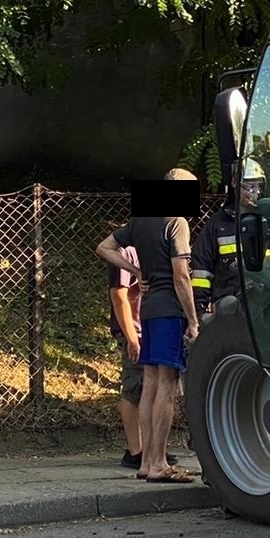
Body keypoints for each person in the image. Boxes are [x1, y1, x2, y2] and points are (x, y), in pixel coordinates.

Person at [95, 168, 201, 483]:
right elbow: (181, 275)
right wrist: (193, 320)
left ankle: (144, 461)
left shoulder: (142, 220)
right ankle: (158, 464)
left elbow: (103, 247)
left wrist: (135, 270)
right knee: (166, 388)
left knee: (150, 385)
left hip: (149, 311)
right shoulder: (176, 222)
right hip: (170, 309)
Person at [107, 239, 177, 471]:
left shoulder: (158, 245)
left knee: (156, 386)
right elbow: (119, 296)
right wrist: (131, 337)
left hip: (153, 324)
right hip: (135, 330)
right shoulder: (125, 252)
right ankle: (136, 451)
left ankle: (153, 448)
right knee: (134, 388)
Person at [191, 158, 264, 314]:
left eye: (259, 186)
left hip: (264, 303)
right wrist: (200, 310)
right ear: (234, 183)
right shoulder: (217, 224)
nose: (256, 192)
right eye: (251, 186)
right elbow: (201, 270)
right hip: (228, 304)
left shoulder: (267, 222)